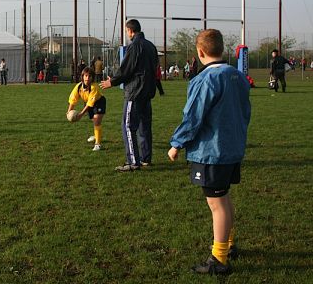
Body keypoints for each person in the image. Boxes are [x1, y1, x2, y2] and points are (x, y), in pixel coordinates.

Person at [168, 29, 251, 275]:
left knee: (216, 203)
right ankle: (228, 244)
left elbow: (193, 116)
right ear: (222, 49)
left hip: (212, 152)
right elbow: (245, 112)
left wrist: (176, 144)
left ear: (200, 52)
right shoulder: (238, 76)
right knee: (223, 199)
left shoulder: (204, 80)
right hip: (231, 147)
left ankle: (219, 258)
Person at [100, 19, 158, 171]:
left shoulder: (134, 47)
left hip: (135, 92)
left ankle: (132, 161)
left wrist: (111, 82)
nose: (127, 34)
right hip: (147, 92)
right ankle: (146, 158)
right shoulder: (151, 46)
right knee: (144, 126)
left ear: (131, 31)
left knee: (127, 126)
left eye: (127, 31)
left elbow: (126, 69)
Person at [68, 67, 106, 151]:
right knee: (94, 120)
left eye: (89, 76)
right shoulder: (78, 87)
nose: (87, 78)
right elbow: (73, 99)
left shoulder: (94, 87)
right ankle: (96, 135)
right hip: (88, 102)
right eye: (85, 76)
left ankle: (98, 144)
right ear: (82, 76)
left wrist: (81, 114)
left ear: (92, 78)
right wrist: (69, 112)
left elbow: (90, 104)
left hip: (99, 102)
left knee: (97, 120)